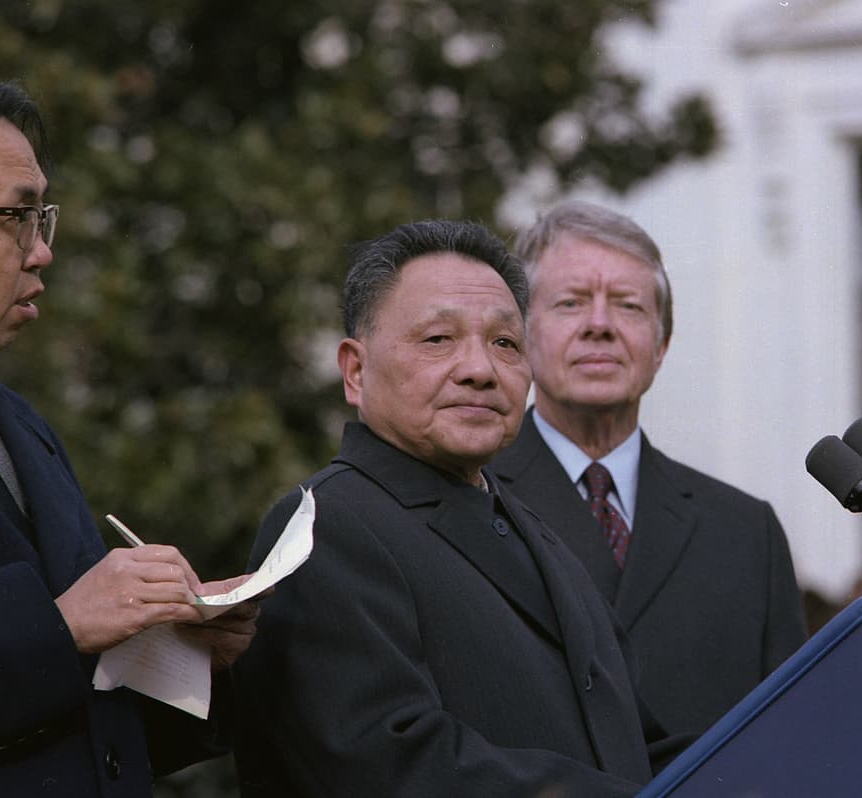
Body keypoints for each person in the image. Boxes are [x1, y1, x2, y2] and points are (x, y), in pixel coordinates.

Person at [232, 220, 683, 797]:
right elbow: (388, 765)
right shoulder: (326, 526)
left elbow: (632, 746)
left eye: (505, 343)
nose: (479, 369)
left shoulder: (535, 532)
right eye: (438, 339)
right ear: (355, 370)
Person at [0, 76, 261, 795]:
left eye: (41, 217)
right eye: (14, 217)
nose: (40, 252)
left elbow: (82, 712)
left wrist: (181, 657)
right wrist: (61, 625)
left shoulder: (17, 422)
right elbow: (59, 637)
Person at [491, 200, 807, 737]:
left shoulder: (746, 532)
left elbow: (795, 732)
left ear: (660, 346)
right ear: (521, 337)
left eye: (628, 306)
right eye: (570, 303)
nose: (599, 325)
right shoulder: (470, 497)